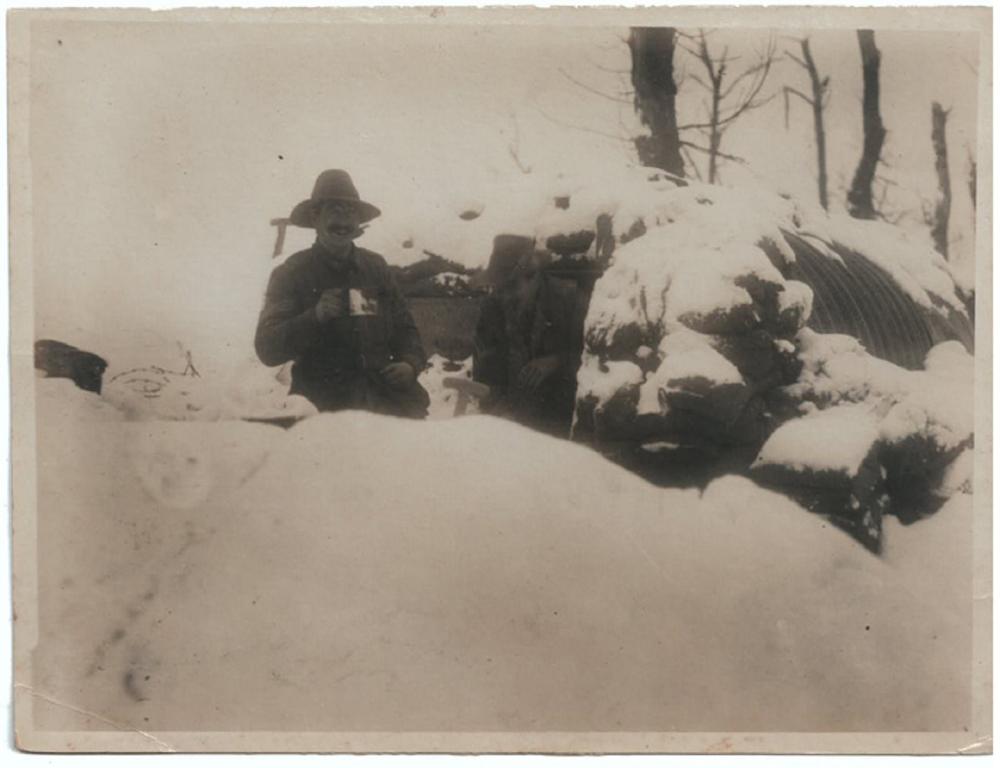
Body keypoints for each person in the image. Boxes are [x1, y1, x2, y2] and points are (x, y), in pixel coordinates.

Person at [254, 169, 430, 418]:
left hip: (385, 402)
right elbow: (266, 348)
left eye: (352, 213)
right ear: (315, 217)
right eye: (335, 211)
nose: (344, 223)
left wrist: (410, 364)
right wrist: (314, 317)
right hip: (322, 408)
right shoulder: (291, 273)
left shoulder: (375, 268)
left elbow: (405, 328)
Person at [472, 235, 585, 437]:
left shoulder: (569, 301)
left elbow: (588, 360)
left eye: (511, 287)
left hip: (558, 414)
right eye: (500, 287)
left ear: (533, 277)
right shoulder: (491, 307)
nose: (504, 295)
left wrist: (556, 361)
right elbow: (485, 370)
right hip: (510, 414)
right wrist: (498, 410)